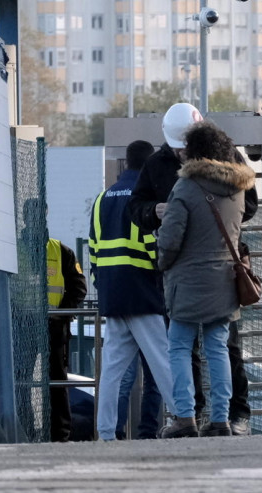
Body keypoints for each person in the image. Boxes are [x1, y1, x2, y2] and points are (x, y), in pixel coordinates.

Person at [130, 103, 257, 435]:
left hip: (184, 275)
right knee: (219, 345)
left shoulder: (183, 187)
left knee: (184, 346)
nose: (180, 153)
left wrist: (169, 248)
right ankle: (222, 418)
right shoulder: (234, 177)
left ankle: (188, 416)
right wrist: (150, 212)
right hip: (224, 273)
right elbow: (136, 206)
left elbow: (170, 242)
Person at [89, 140, 178, 442]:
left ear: (126, 163)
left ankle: (105, 433)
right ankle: (183, 419)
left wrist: (104, 286)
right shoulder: (144, 199)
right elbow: (153, 246)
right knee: (163, 360)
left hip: (112, 293)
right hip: (142, 290)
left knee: (111, 370)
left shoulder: (102, 199)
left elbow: (93, 249)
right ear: (149, 165)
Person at [47, 233, 87, 442]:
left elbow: (79, 287)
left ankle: (60, 434)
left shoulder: (61, 250)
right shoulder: (17, 250)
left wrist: (61, 314)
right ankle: (28, 426)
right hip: (24, 323)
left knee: (57, 379)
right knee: (21, 380)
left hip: (55, 326)